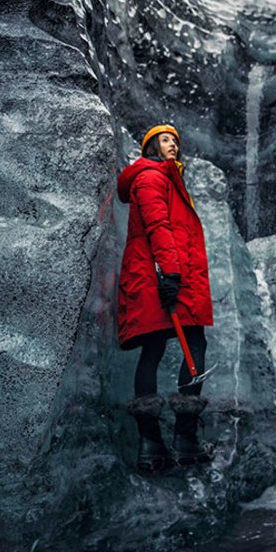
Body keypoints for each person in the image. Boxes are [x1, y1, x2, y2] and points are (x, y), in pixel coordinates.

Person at [116, 123, 214, 474]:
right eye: (165, 139)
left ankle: (155, 443)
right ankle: (177, 438)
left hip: (162, 272)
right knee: (188, 345)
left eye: (176, 140)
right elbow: (159, 225)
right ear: (150, 147)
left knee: (158, 348)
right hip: (157, 274)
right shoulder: (150, 175)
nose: (173, 145)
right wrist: (170, 273)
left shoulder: (167, 177)